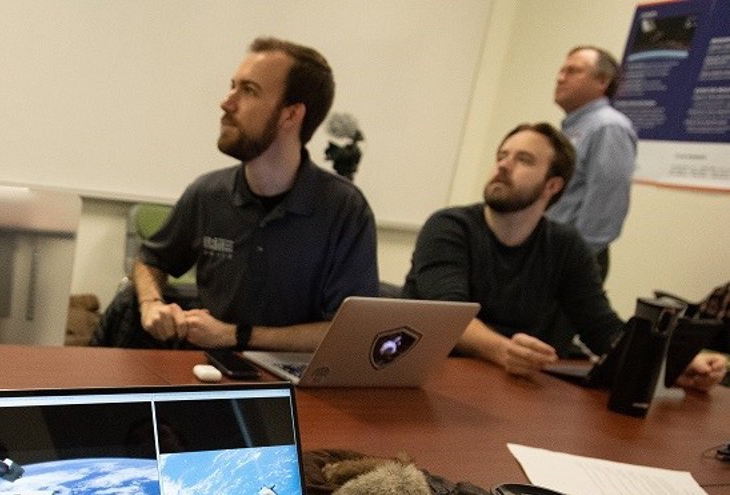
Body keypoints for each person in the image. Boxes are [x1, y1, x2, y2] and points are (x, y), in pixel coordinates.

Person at [402, 122, 724, 392]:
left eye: (523, 159)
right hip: (434, 380)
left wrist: (669, 364)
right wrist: (504, 351)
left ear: (552, 185)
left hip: (512, 389)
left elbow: (602, 329)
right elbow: (448, 317)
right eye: (502, 156)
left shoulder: (565, 245)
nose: (502, 165)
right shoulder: (448, 227)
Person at [121, 37, 378, 352]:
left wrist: (236, 336)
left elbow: (349, 335)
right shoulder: (208, 193)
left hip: (298, 387)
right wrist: (151, 303)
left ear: (290, 115)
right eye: (232, 87)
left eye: (249, 91)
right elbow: (150, 259)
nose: (227, 102)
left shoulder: (345, 209)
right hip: (207, 375)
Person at [545, 46, 636, 282]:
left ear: (602, 81)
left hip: (571, 262)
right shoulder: (573, 129)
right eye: (561, 70)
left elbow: (606, 208)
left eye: (573, 71)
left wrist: (569, 262)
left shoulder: (608, 127)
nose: (560, 77)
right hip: (551, 253)